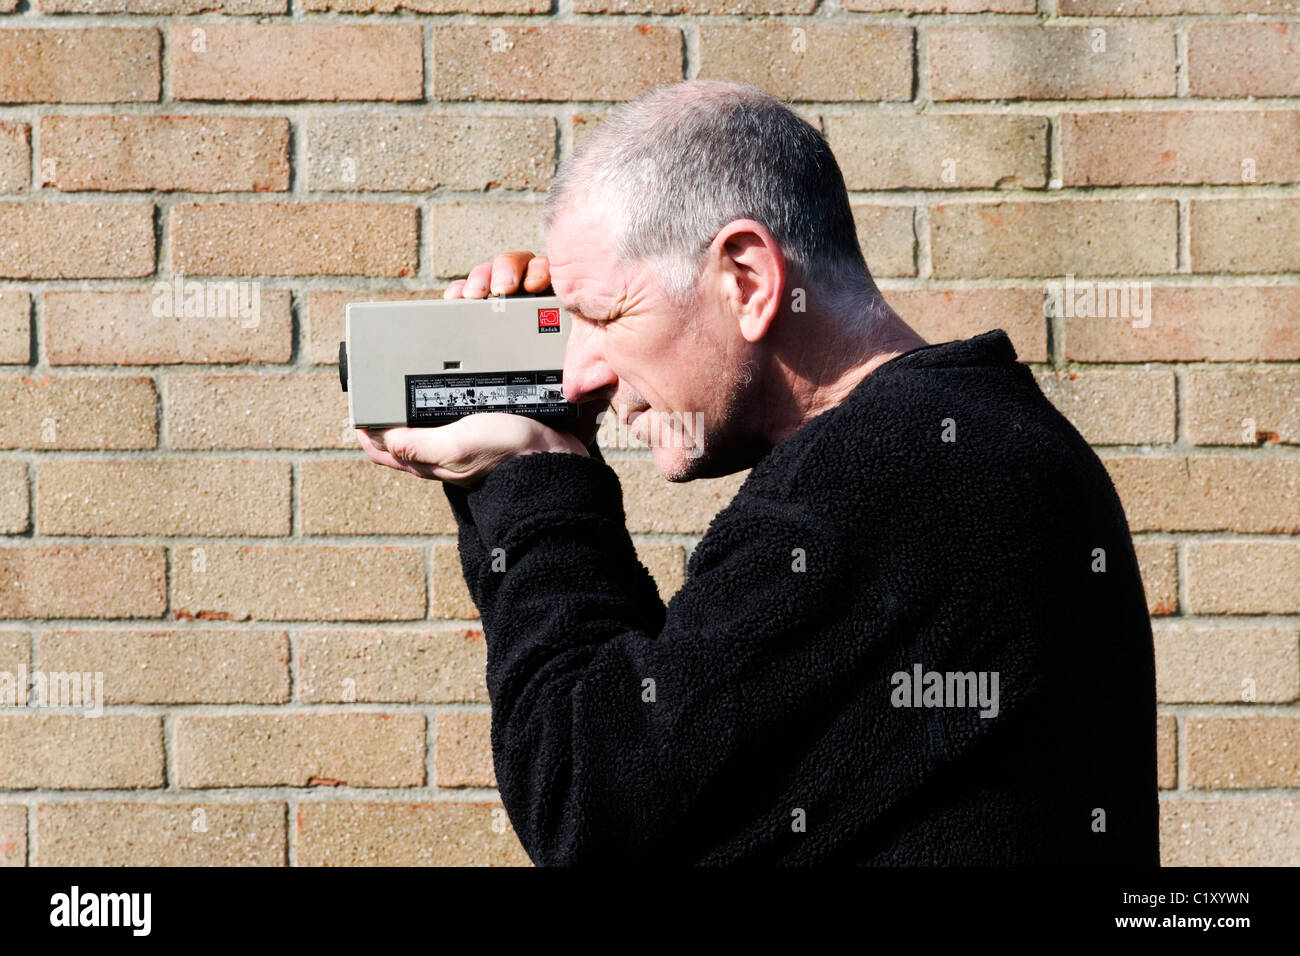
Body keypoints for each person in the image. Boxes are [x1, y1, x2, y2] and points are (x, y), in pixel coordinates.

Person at [356, 79, 1159, 865]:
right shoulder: (978, 441)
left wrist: (530, 482)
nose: (583, 377)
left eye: (605, 317)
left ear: (748, 279)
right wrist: (525, 434)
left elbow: (588, 803)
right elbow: (673, 753)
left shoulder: (874, 484)